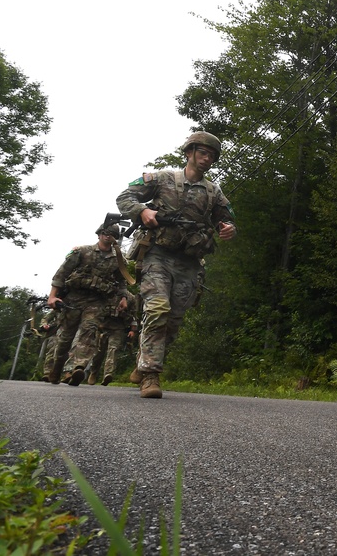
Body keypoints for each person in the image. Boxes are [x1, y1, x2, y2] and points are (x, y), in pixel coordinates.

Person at [116, 131, 236, 399]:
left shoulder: (213, 191)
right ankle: (150, 375)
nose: (207, 159)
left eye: (212, 155)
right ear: (189, 152)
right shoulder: (161, 179)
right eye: (203, 152)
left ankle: (143, 362)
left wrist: (228, 228)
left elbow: (226, 219)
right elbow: (125, 197)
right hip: (157, 254)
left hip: (189, 262)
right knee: (158, 309)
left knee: (173, 321)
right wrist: (142, 211)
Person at [47, 224, 130, 385]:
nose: (108, 236)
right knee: (65, 338)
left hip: (97, 301)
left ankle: (79, 367)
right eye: (105, 233)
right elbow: (62, 273)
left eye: (112, 234)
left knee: (89, 331)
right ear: (99, 234)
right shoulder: (82, 251)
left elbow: (122, 281)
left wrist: (123, 298)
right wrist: (52, 296)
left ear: (116, 239)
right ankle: (56, 369)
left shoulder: (118, 259)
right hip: (73, 299)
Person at [87, 292, 138, 385]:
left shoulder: (131, 298)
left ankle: (108, 374)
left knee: (113, 350)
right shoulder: (107, 292)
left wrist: (132, 330)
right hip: (102, 327)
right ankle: (93, 372)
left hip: (118, 328)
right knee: (98, 353)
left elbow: (134, 315)